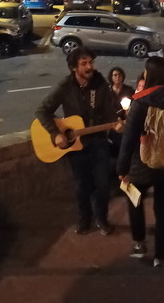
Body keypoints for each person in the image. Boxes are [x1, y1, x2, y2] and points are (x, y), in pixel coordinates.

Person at [35, 47, 123, 235]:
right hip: (76, 145)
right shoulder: (66, 86)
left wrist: (115, 124)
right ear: (74, 68)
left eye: (91, 62)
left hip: (99, 142)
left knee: (102, 184)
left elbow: (110, 109)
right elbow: (42, 111)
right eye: (84, 64)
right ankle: (84, 220)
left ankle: (101, 218)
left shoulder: (100, 84)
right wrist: (55, 133)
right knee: (82, 185)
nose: (89, 66)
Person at [117, 57, 164, 267]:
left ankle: (139, 243)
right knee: (163, 211)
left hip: (144, 162)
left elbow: (129, 137)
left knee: (134, 200)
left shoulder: (141, 100)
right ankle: (160, 256)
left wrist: (122, 168)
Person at [108, 67, 135, 158]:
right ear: (111, 77)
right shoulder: (107, 91)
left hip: (125, 122)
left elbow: (134, 104)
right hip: (111, 123)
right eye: (115, 75)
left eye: (119, 75)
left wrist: (128, 112)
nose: (117, 77)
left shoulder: (129, 90)